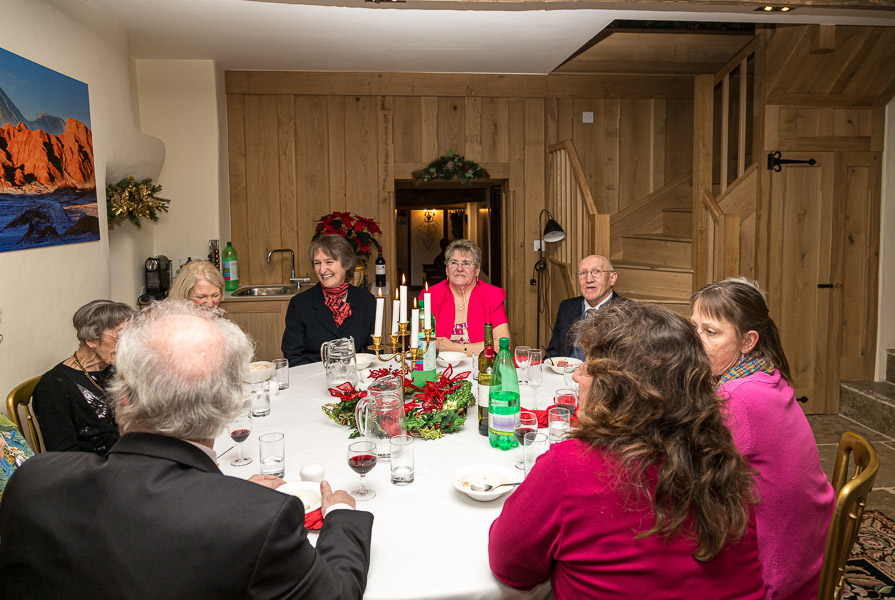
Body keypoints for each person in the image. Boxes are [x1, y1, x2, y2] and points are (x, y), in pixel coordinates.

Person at [0, 301, 373, 598]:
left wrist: (230, 498)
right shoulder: (260, 521)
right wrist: (340, 515)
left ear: (122, 398)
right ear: (228, 405)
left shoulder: (32, 481)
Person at [489, 301, 765, 599]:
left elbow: (511, 566)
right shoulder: (721, 457)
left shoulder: (571, 466)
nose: (577, 376)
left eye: (589, 366)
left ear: (617, 387)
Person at [691, 277, 835, 600]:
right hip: (810, 552)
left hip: (778, 572)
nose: (695, 340)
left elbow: (692, 476)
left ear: (748, 341)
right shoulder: (762, 373)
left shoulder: (737, 395)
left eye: (710, 332)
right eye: (695, 328)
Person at [32, 299, 136, 455]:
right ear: (91, 340)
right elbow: (63, 455)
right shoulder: (54, 386)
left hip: (130, 457)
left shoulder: (117, 369)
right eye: (120, 336)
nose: (128, 344)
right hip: (93, 470)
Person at [282, 234, 376, 366]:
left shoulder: (367, 301)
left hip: (355, 377)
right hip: (312, 380)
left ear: (347, 264)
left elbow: (373, 351)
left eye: (329, 262)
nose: (322, 270)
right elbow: (293, 356)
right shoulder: (300, 304)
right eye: (317, 263)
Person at [429, 239, 509, 356]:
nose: (460, 268)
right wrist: (475, 348)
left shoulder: (492, 296)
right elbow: (417, 342)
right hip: (438, 367)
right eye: (454, 263)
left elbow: (503, 345)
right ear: (447, 269)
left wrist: (454, 347)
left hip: (480, 368)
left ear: (477, 270)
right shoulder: (431, 295)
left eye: (466, 263)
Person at [546, 254, 622, 359]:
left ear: (612, 278)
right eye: (583, 273)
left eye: (597, 272)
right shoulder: (566, 307)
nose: (589, 279)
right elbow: (552, 355)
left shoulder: (629, 312)